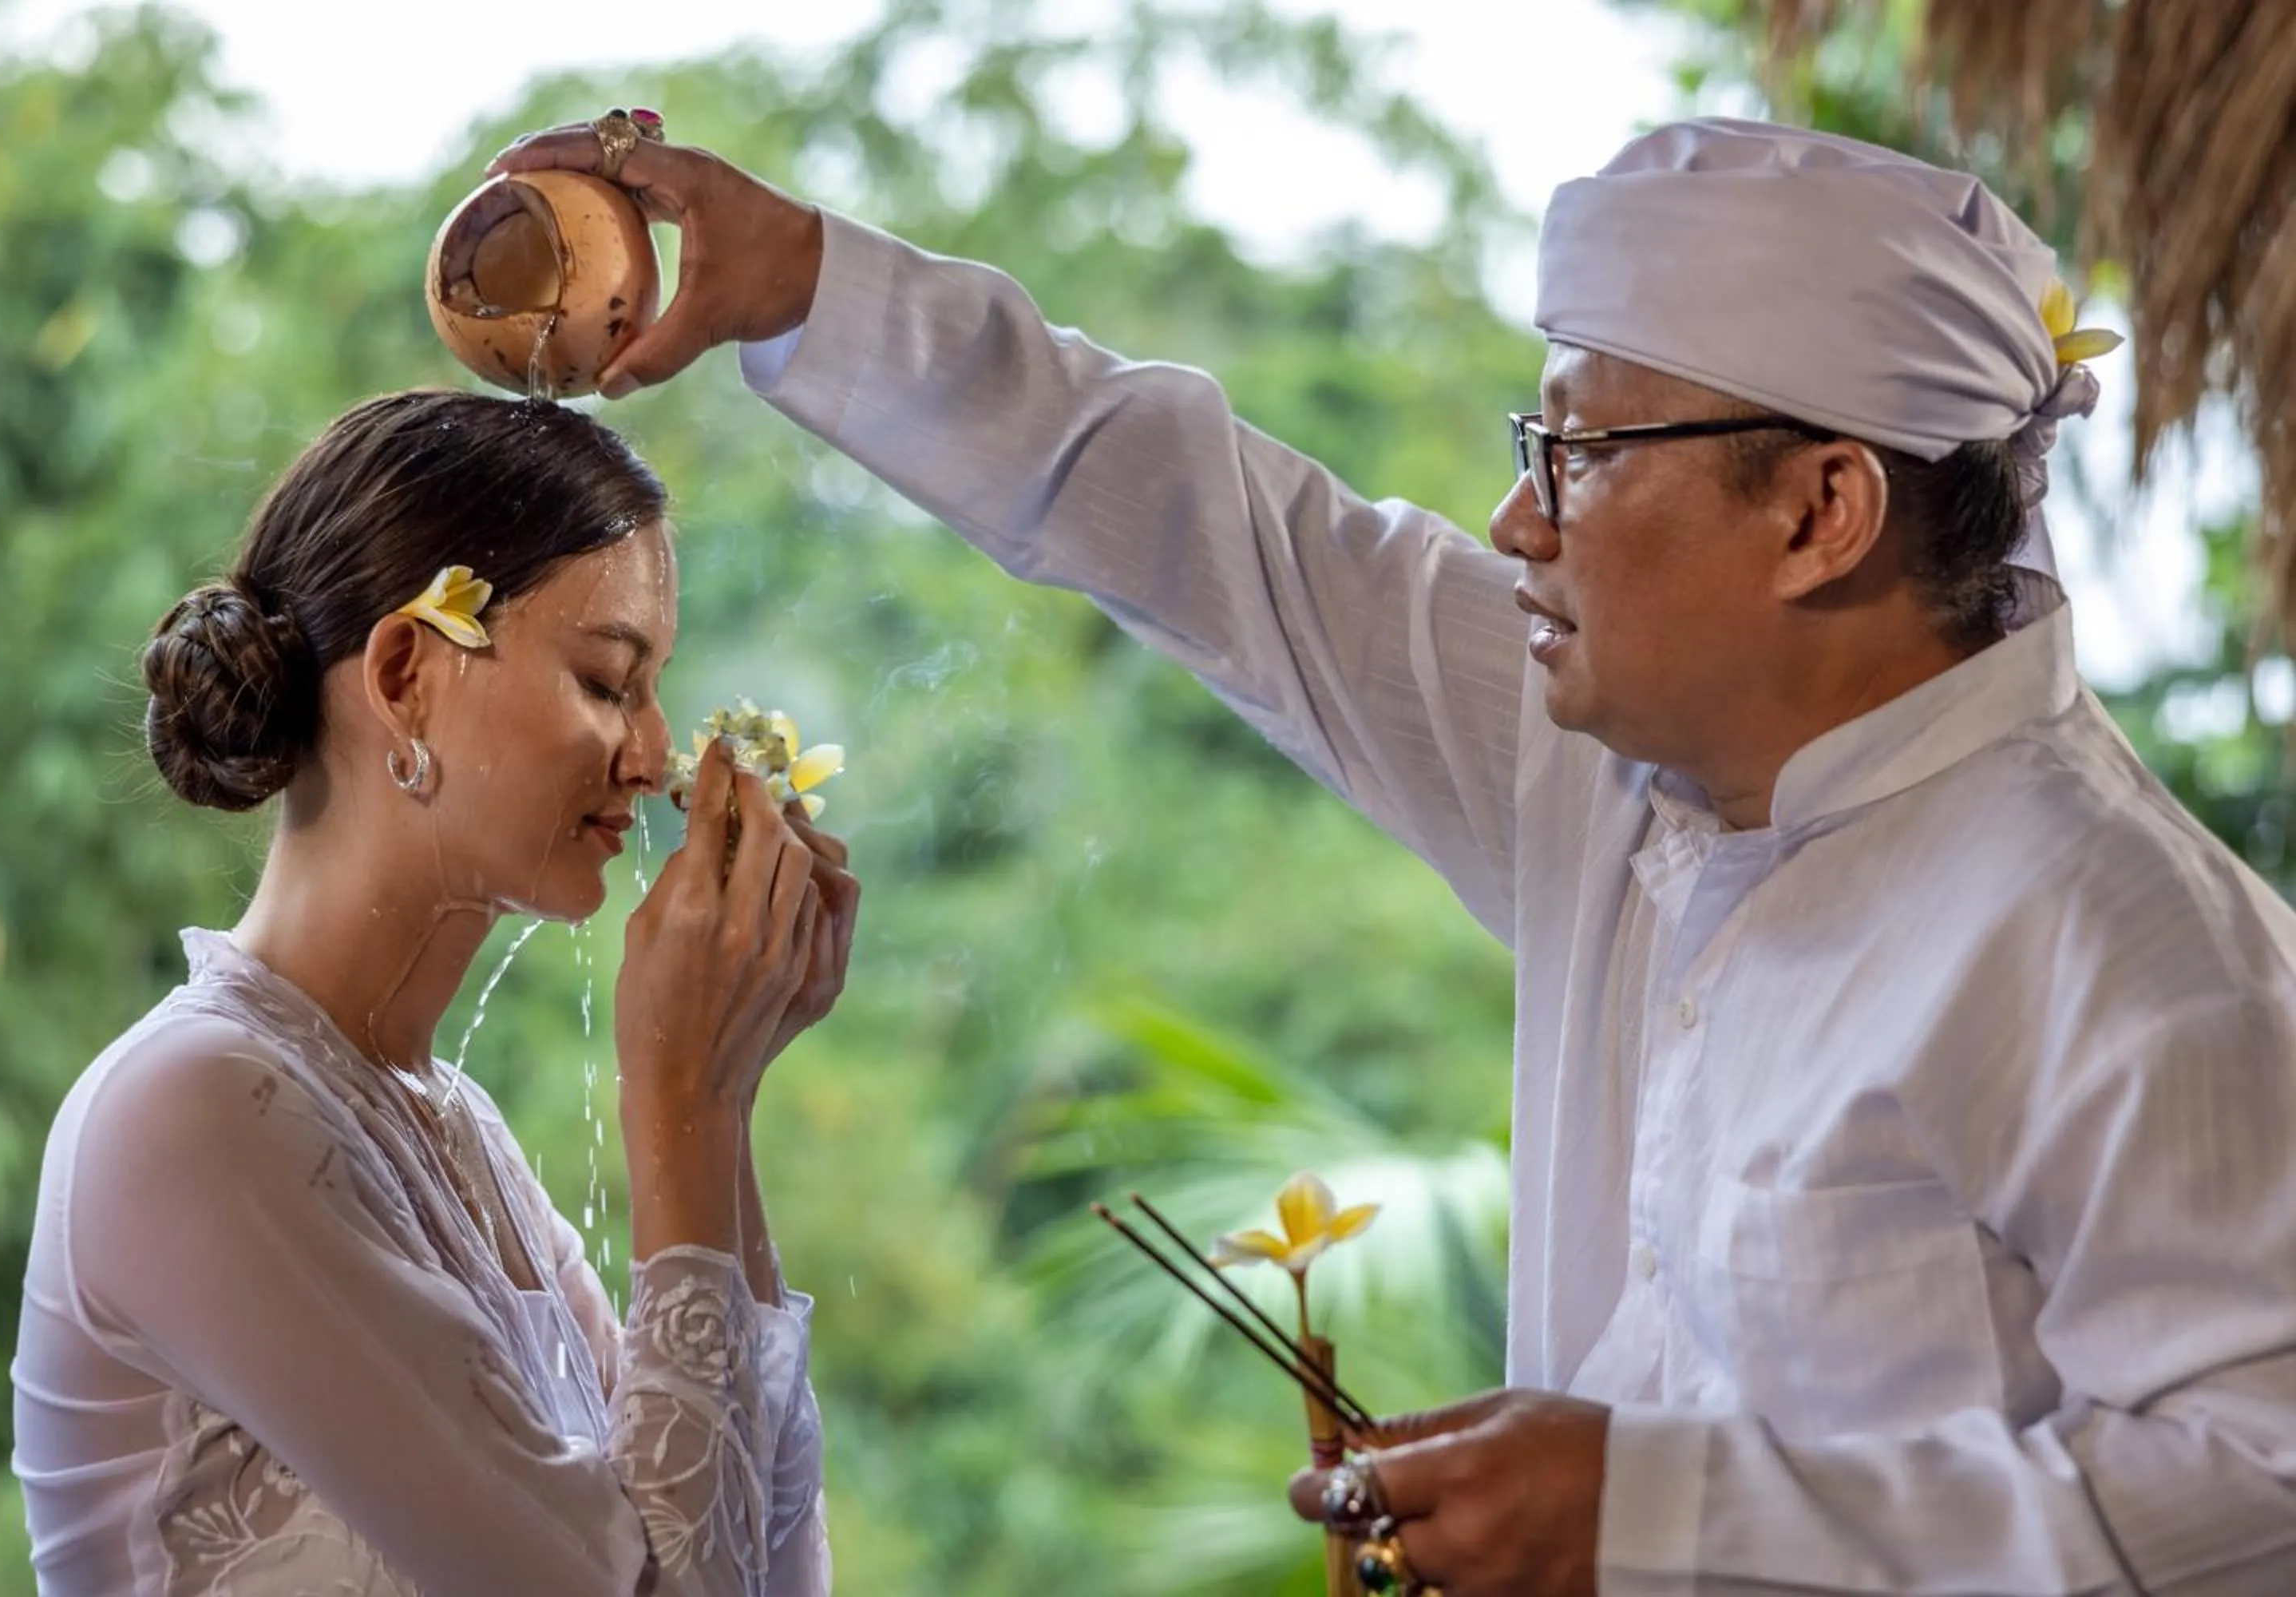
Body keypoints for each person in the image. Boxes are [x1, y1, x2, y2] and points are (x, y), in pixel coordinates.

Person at [482, 110, 2296, 1595]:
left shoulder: (2125, 944)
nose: (1516, 518)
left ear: (1823, 512)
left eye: (1576, 449)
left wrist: (1660, 1516)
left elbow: (2263, 1492)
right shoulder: (1607, 764)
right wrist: (793, 280)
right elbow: (1201, 517)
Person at [10, 389, 858, 1595]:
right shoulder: (194, 1114)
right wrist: (685, 1098)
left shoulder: (456, 1131)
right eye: (610, 682)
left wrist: (728, 1084)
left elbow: (762, 1564)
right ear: (407, 674)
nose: (656, 754)